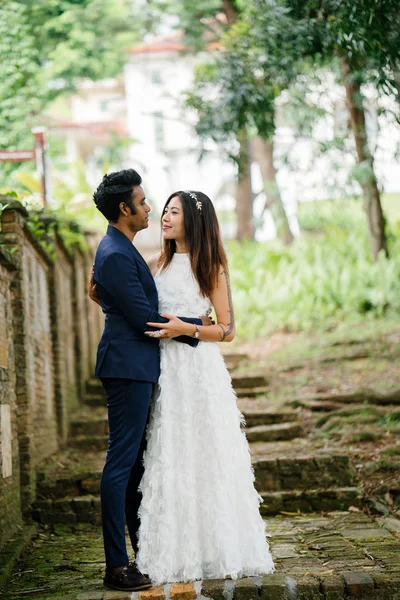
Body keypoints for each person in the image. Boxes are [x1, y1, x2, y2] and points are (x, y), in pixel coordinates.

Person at [134, 190, 275, 584]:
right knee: (169, 453)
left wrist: (186, 328)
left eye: (173, 211)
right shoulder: (154, 264)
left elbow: (227, 330)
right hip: (163, 371)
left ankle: (218, 548)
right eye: (164, 209)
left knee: (205, 453)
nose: (164, 216)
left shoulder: (210, 267)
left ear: (193, 221)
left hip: (198, 370)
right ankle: (174, 551)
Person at [90, 170, 212, 592]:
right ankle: (116, 566)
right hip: (127, 367)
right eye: (143, 202)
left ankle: (142, 553)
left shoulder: (121, 249)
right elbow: (144, 317)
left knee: (134, 463)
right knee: (121, 463)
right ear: (124, 209)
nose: (149, 208)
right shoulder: (117, 253)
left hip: (137, 367)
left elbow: (115, 296)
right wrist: (199, 324)